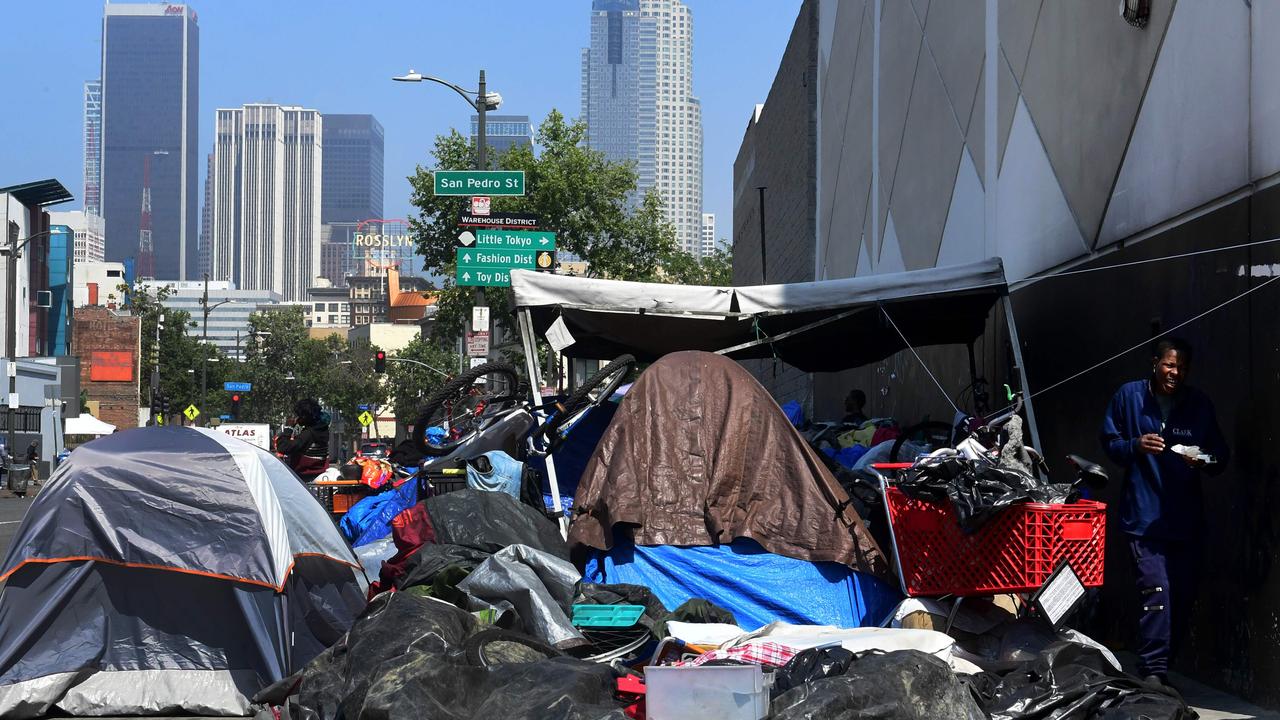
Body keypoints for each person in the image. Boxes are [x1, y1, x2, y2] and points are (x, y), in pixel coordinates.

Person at [1100, 338, 1229, 686]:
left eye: (1182, 367)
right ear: (1155, 362)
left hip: (1185, 521)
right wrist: (1135, 445)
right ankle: (1153, 670)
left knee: (1183, 595)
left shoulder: (1198, 404)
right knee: (1157, 591)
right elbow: (1110, 443)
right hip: (1144, 518)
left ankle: (1163, 662)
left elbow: (1221, 458)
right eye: (1170, 365)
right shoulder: (1129, 397)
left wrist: (1201, 458)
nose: (1176, 373)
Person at [275, 399, 331, 482]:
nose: (297, 418)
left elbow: (283, 447)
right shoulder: (321, 430)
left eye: (298, 415)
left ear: (305, 417)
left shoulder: (309, 434)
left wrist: (288, 428)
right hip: (316, 473)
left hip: (304, 477)